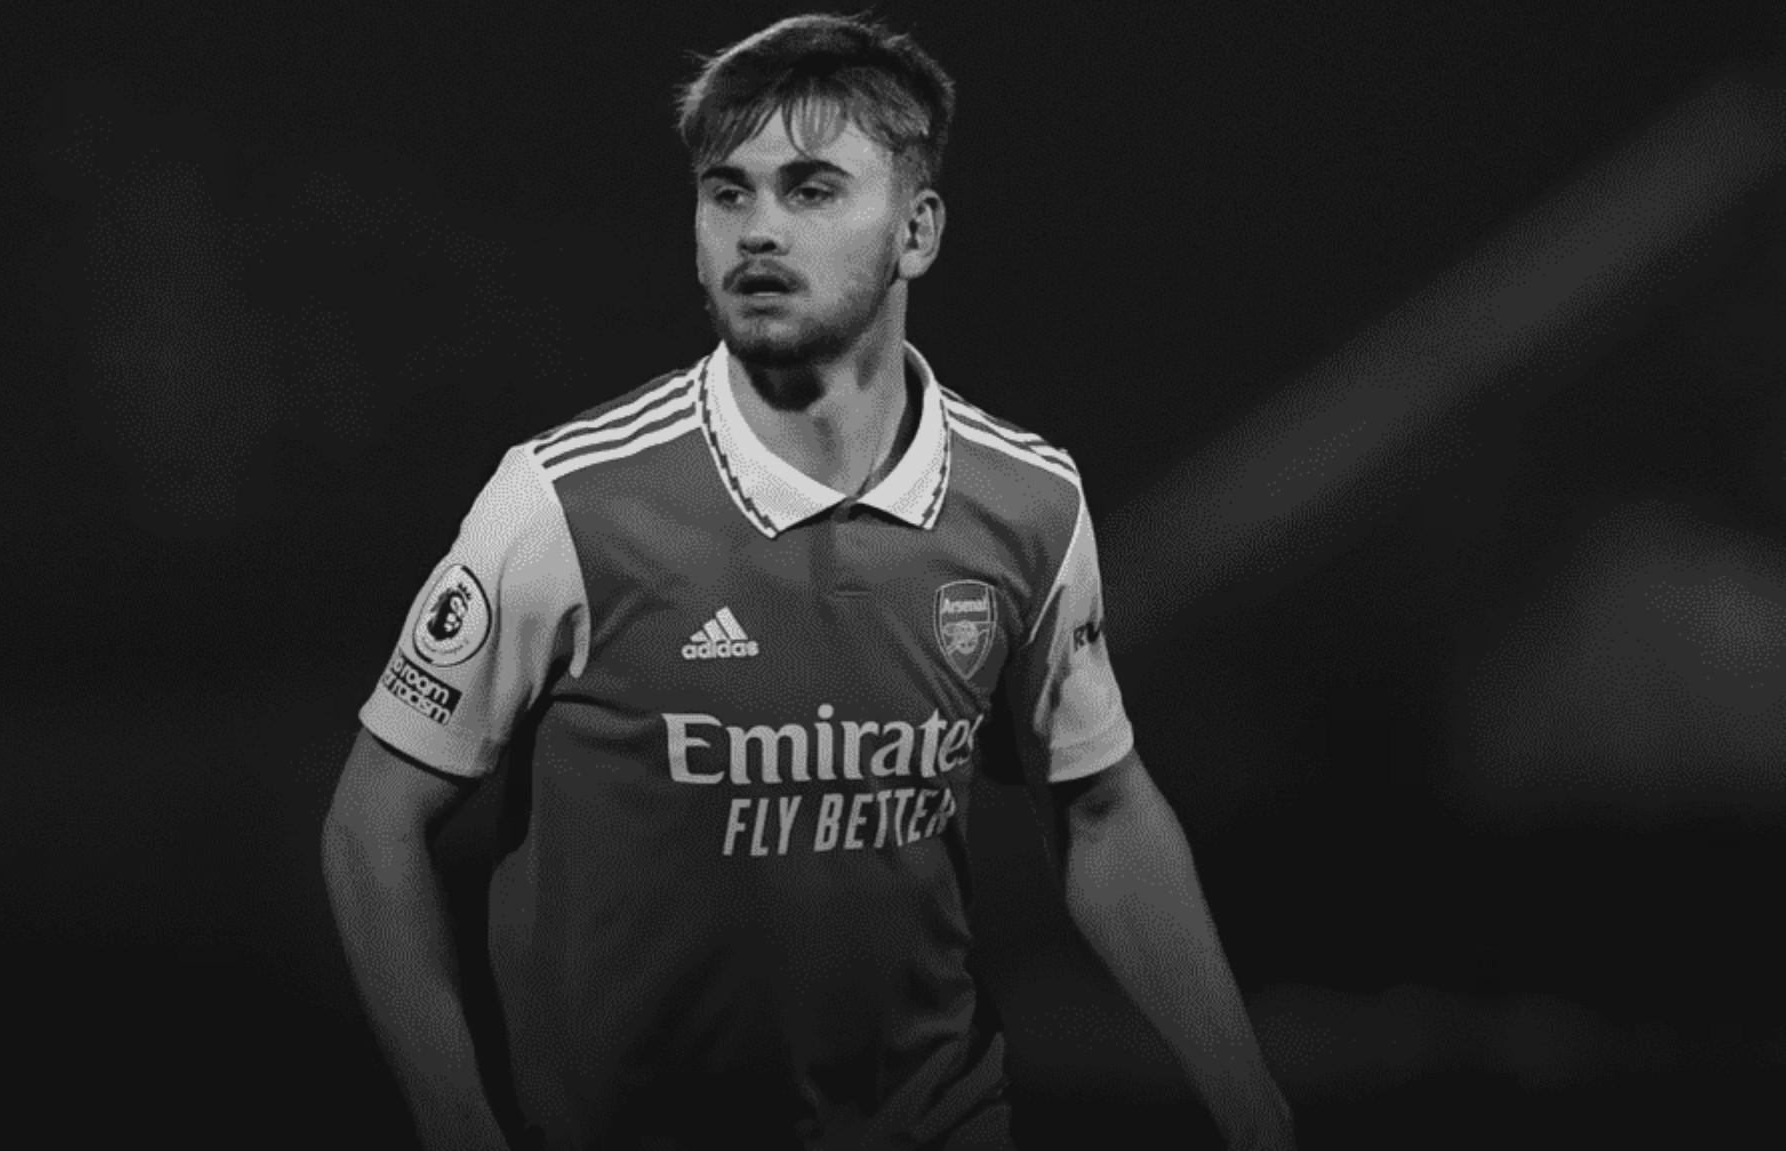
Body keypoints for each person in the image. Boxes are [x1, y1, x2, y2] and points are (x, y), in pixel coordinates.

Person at [322, 13, 1294, 1150]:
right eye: (726, 193)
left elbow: (1101, 806)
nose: (757, 230)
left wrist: (1251, 1099)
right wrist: (456, 1120)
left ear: (917, 231)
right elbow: (371, 822)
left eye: (812, 189)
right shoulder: (565, 503)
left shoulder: (1029, 502)